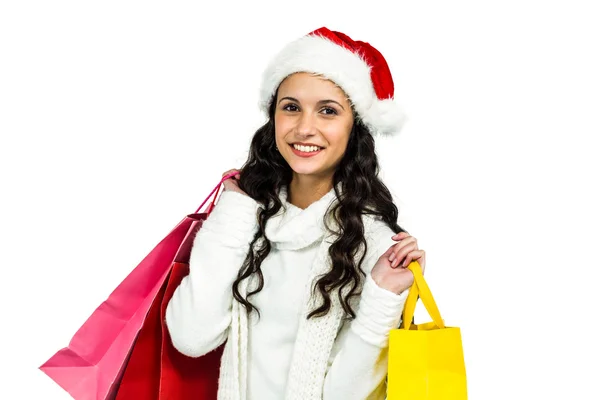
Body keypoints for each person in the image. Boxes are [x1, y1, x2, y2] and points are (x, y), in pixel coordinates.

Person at [165, 27, 427, 400]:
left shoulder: (376, 244)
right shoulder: (246, 219)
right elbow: (190, 336)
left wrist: (382, 296)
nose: (305, 128)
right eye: (291, 107)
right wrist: (233, 214)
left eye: (328, 111)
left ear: (356, 127)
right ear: (273, 117)